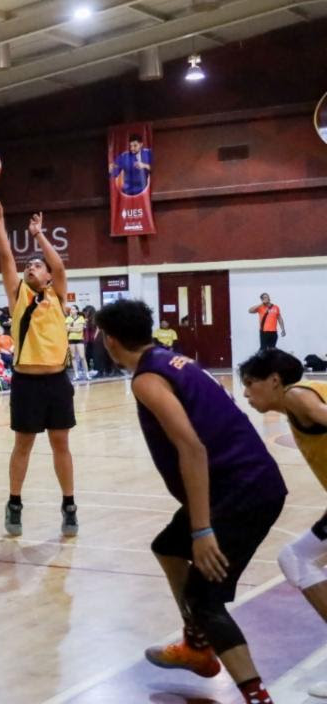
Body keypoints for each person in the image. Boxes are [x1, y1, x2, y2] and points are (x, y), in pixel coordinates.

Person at [97, 299, 285, 704]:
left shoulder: (148, 379)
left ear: (110, 341)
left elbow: (192, 448)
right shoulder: (174, 360)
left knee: (204, 600)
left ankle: (257, 696)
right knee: (168, 547)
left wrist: (202, 529)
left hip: (242, 490)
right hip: (241, 482)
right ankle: (197, 647)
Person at [238, 348, 327, 699]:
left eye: (250, 384)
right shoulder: (309, 392)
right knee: (298, 557)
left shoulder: (296, 397)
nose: (245, 393)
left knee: (297, 558)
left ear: (274, 381)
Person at [0, 198, 78, 538]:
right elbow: (5, 258)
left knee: (61, 444)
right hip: (26, 382)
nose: (32, 268)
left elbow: (60, 267)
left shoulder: (57, 295)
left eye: (38, 266)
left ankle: (69, 505)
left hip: (57, 380)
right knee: (23, 444)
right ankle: (14, 502)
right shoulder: (17, 295)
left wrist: (39, 235)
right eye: (29, 266)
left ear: (48, 275)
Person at [66, 305, 89, 381]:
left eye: (73, 309)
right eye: (71, 309)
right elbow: (67, 329)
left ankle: (87, 374)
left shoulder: (81, 318)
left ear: (77, 310)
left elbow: (80, 329)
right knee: (73, 357)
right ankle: (76, 374)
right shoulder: (68, 318)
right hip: (71, 339)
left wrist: (72, 328)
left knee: (82, 356)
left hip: (79, 339)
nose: (71, 310)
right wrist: (74, 328)